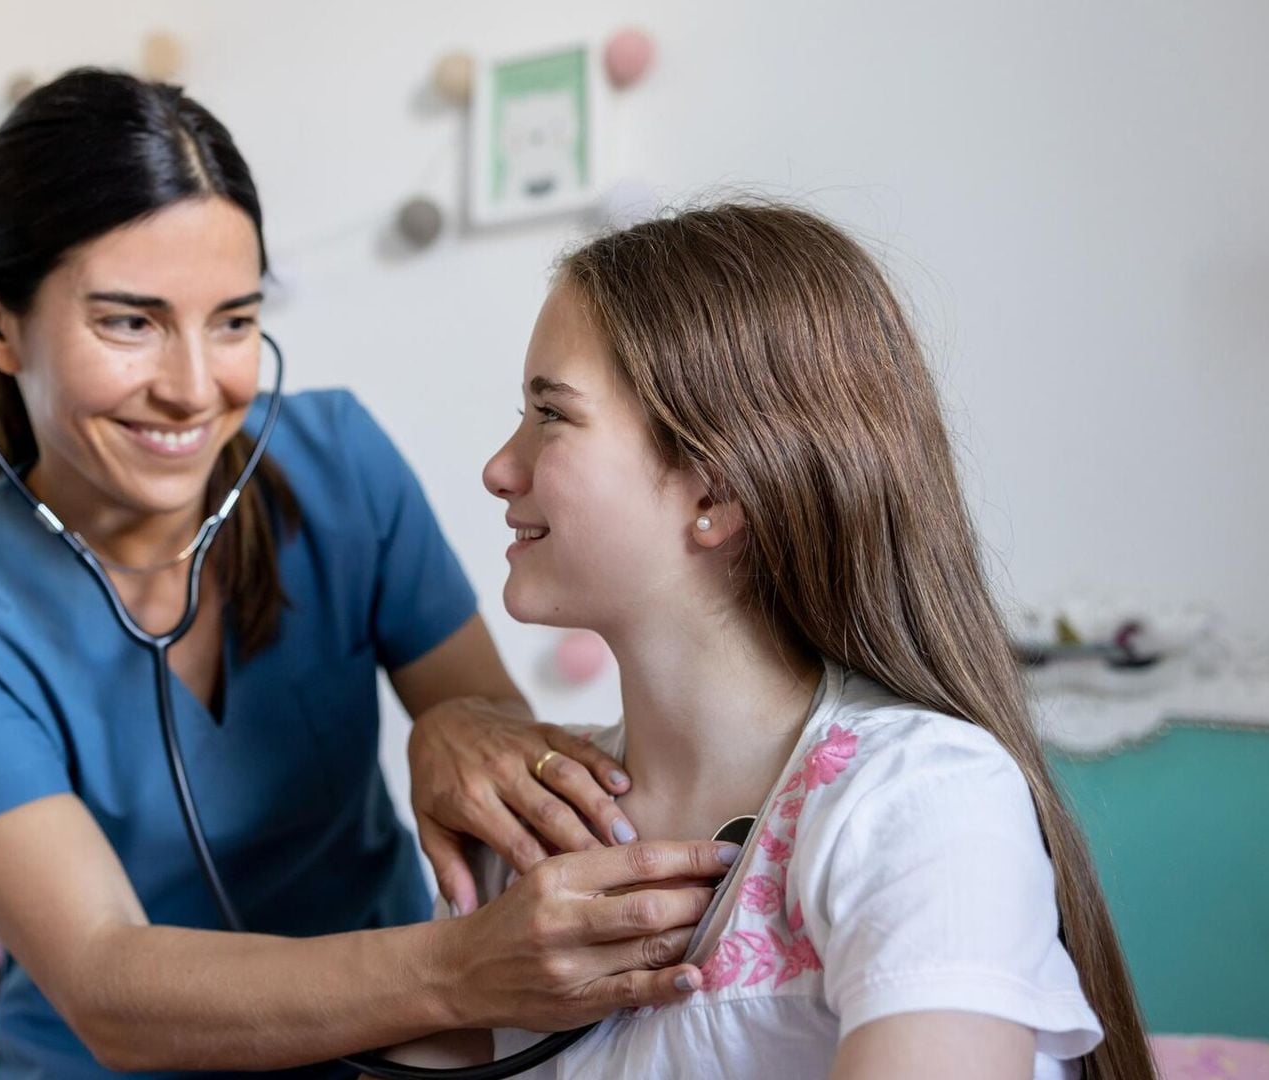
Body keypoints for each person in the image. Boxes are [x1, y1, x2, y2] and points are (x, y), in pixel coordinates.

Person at [0, 69, 736, 1079]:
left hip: (392, 1053)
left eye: (234, 320)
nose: (195, 390)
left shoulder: (338, 467)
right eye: (129, 322)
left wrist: (454, 729)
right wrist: (459, 970)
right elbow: (104, 981)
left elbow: (490, 735)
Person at [375, 202, 1157, 1079]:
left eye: (551, 416)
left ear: (716, 490)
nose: (499, 468)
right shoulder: (523, 829)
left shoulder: (920, 801)